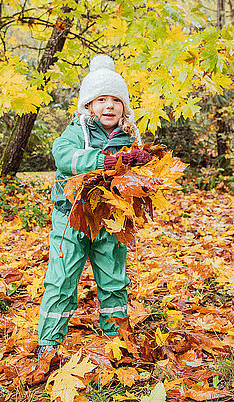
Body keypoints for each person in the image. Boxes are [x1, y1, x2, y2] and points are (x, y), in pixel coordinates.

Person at [37, 55, 152, 358]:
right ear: (88, 105)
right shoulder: (78, 131)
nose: (109, 106)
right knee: (61, 278)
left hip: (111, 220)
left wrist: (143, 167)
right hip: (71, 216)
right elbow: (63, 156)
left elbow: (139, 179)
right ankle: (48, 341)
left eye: (116, 100)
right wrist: (105, 161)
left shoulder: (130, 136)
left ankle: (116, 335)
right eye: (101, 99)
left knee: (114, 279)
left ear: (124, 106)